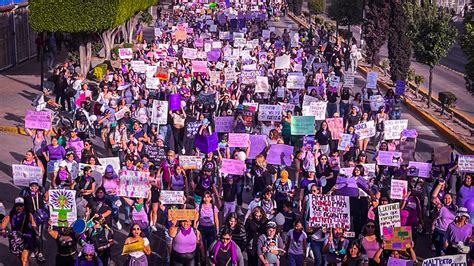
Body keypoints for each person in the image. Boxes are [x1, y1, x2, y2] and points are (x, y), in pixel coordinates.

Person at [0, 197, 38, 266]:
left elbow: (34, 224)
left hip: (27, 238)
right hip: (15, 240)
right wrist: (3, 230)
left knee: (24, 259)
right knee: (21, 258)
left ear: (24, 205)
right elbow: (3, 225)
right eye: (17, 205)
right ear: (14, 206)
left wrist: (36, 232)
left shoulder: (28, 214)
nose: (19, 207)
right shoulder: (10, 215)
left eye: (21, 205)